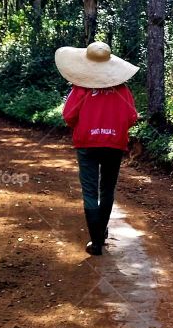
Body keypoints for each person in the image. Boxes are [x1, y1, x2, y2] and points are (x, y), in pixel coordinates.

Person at [55, 41, 139, 255]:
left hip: (87, 145)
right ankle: (101, 233)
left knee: (90, 192)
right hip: (114, 144)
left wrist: (88, 127)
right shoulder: (122, 89)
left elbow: (68, 116)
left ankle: (97, 242)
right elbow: (131, 117)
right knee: (107, 190)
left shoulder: (80, 89)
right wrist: (111, 128)